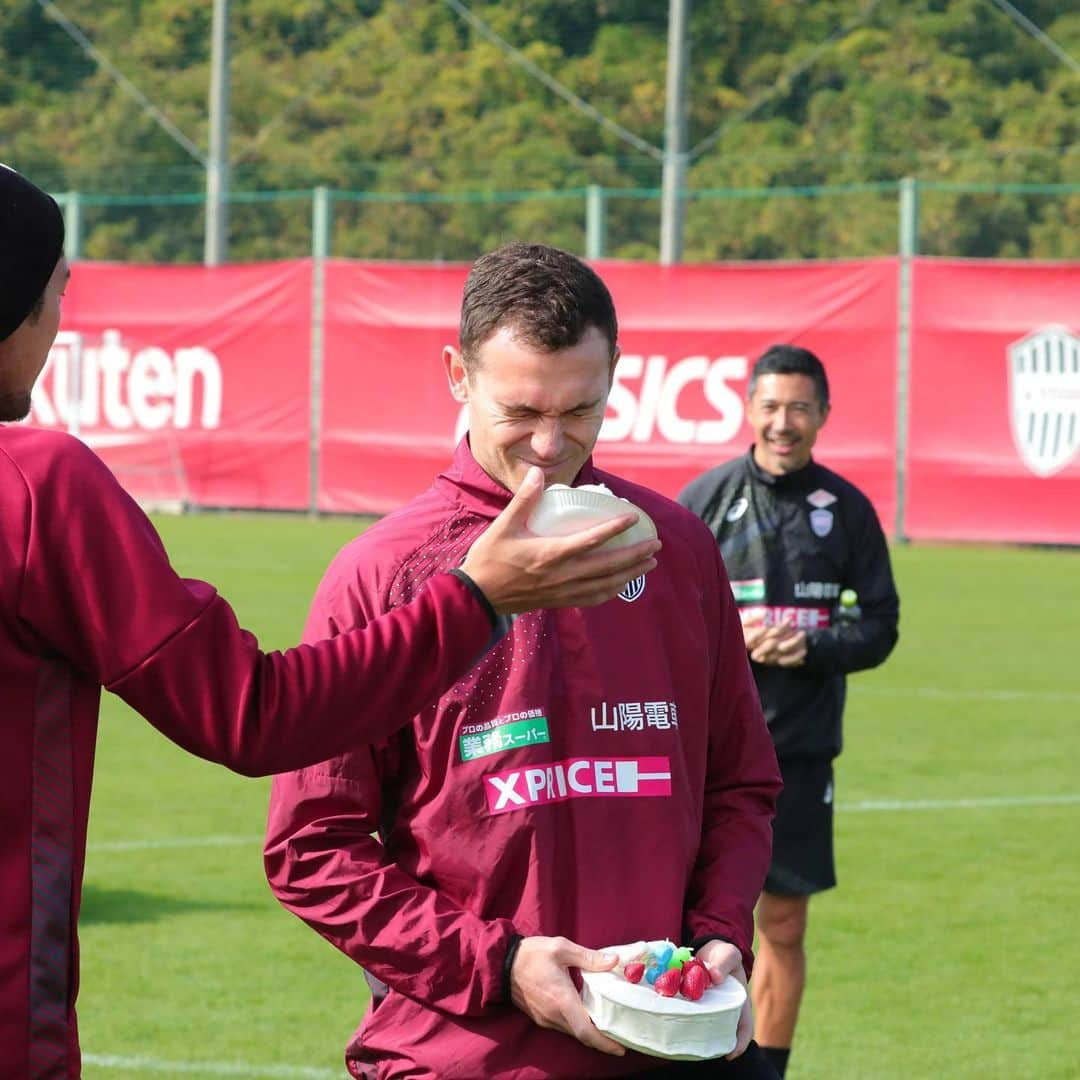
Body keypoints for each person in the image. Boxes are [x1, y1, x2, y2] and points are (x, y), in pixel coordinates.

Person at [0, 166, 663, 1080]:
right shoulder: (32, 487)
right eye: (53, 292)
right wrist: (476, 597)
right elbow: (253, 717)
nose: (59, 319)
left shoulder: (685, 557)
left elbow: (742, 782)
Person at [265, 242, 783, 1080]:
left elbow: (742, 784)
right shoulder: (381, 575)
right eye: (520, 412)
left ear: (616, 373)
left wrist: (720, 934)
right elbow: (311, 848)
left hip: (672, 1049)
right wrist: (498, 964)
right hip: (464, 1058)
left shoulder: (677, 550)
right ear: (457, 376)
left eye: (580, 410)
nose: (549, 445)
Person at [678, 344, 900, 1078]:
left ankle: (769, 1070)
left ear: (823, 416)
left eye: (800, 408)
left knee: (781, 924)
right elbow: (655, 618)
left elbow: (880, 625)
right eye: (771, 406)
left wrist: (809, 647)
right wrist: (726, 636)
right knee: (675, 922)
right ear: (748, 410)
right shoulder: (702, 501)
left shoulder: (849, 512)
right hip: (700, 757)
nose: (784, 423)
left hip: (798, 753)